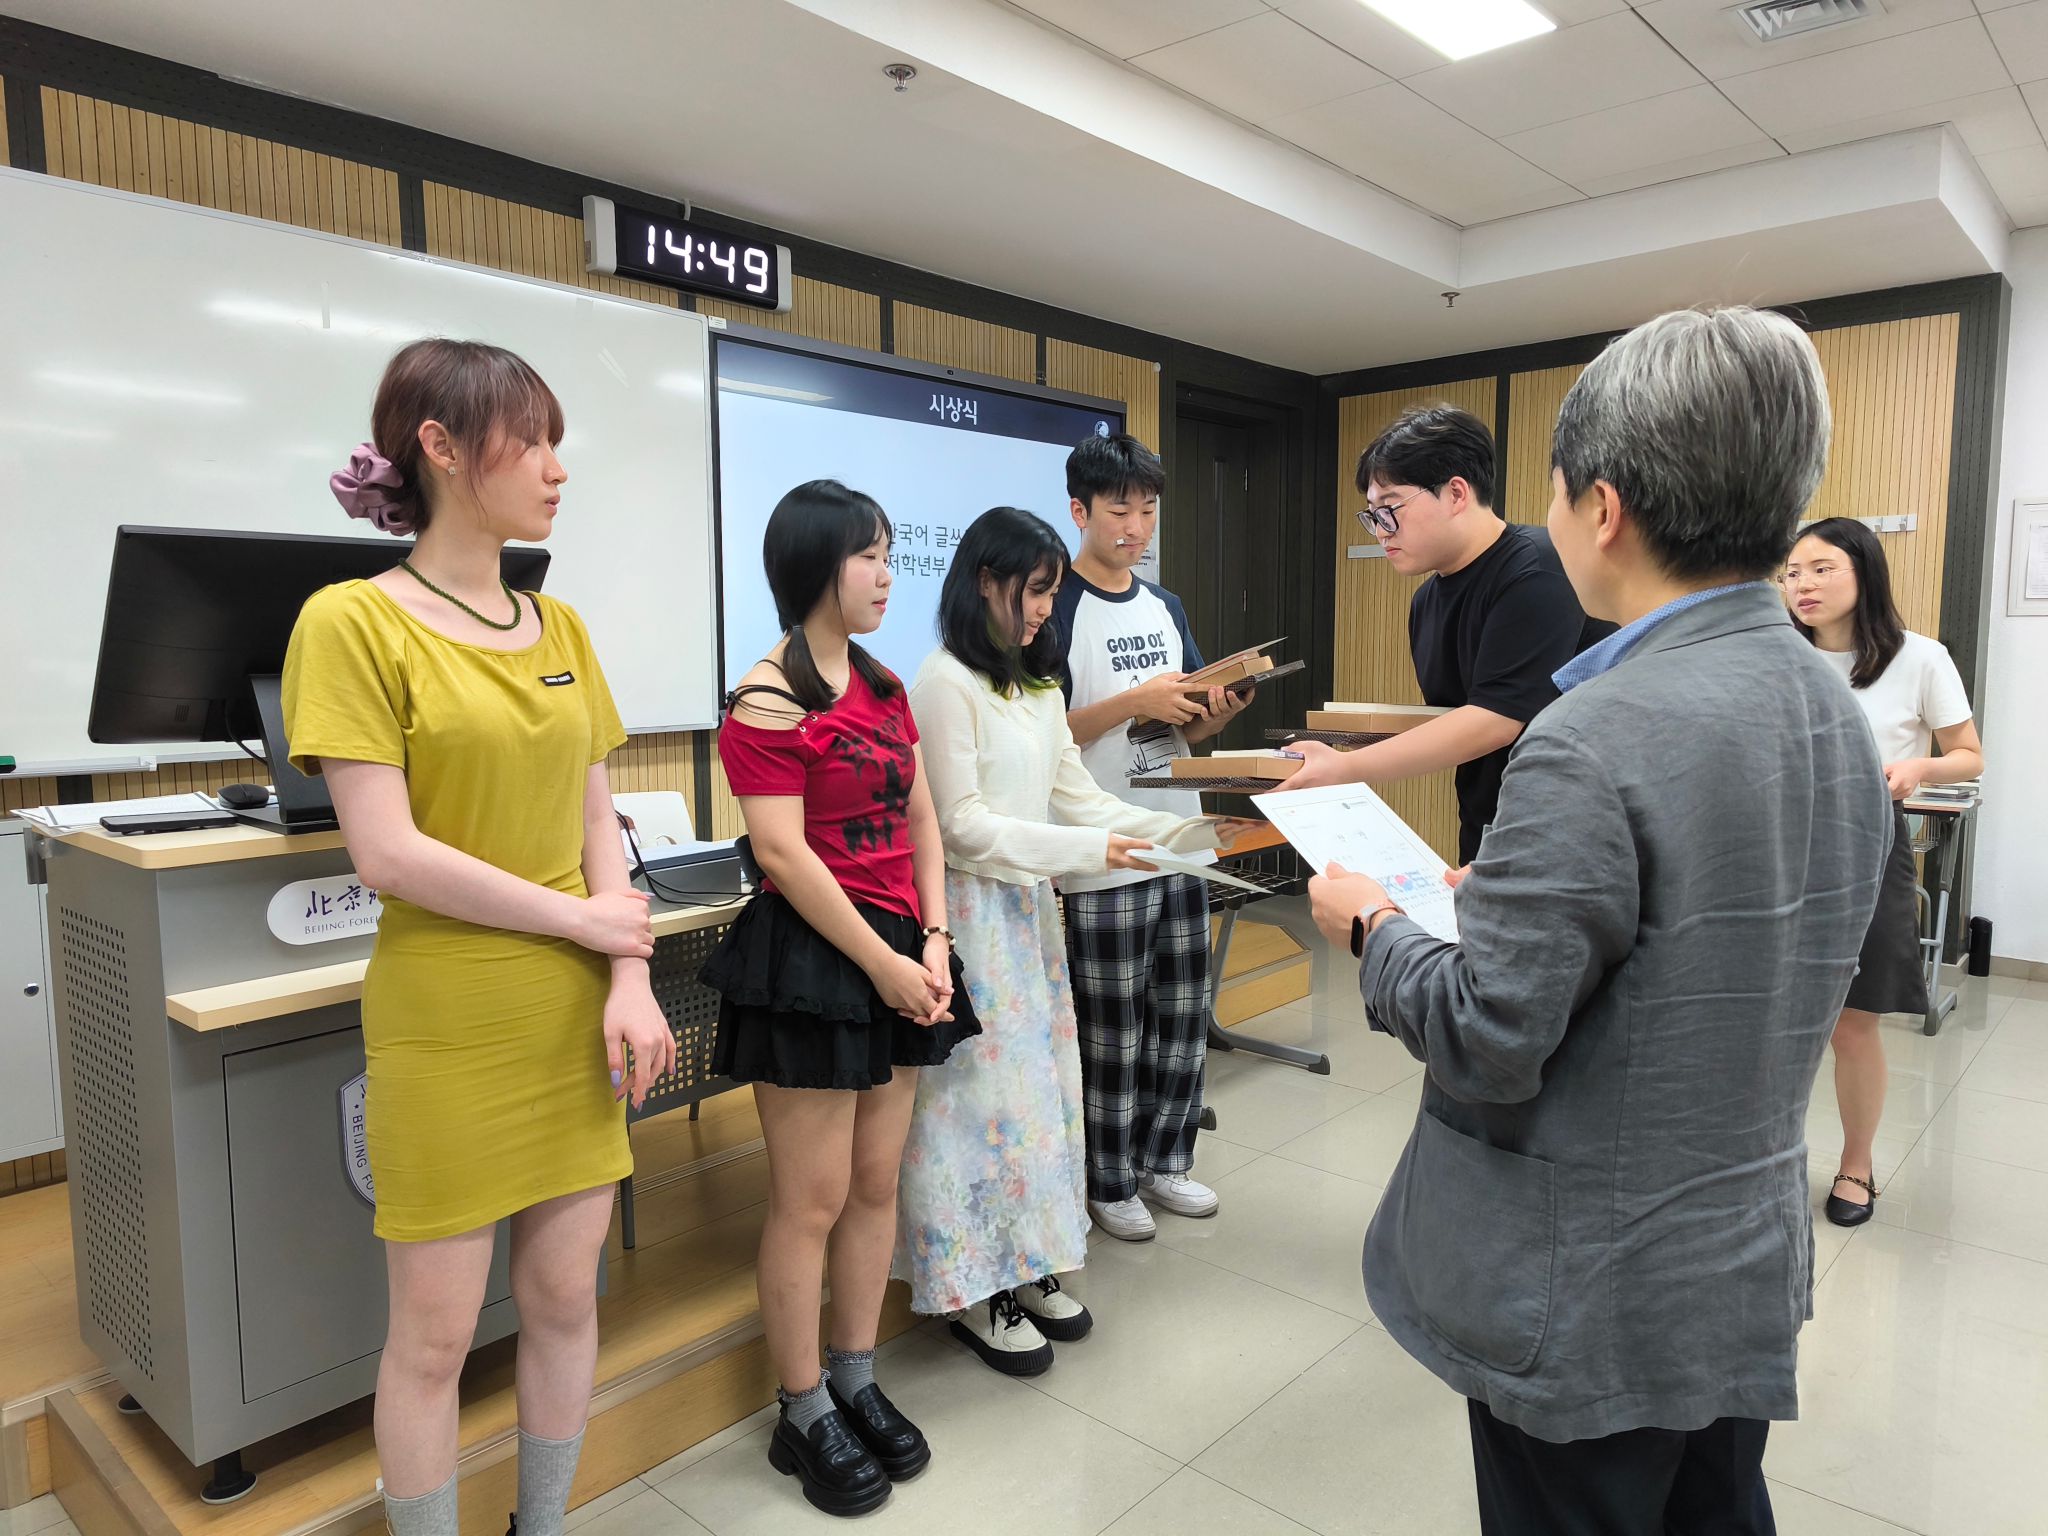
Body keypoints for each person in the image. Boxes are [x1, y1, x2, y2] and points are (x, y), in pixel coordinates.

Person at [1307, 308, 1891, 1536]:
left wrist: (1374, 927)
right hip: (1733, 1257)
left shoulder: (1590, 735)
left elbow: (1486, 1036)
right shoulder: (1827, 706)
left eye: (1555, 490)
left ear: (1603, 506)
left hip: (1588, 1282)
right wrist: (1520, 896)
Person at [283, 339, 676, 1536]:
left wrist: (627, 973)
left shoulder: (559, 627)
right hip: (446, 1022)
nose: (557, 468)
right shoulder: (351, 622)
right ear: (442, 449)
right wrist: (582, 921)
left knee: (563, 1300)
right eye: (533, 440)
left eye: (558, 442)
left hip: (574, 1016)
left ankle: (539, 1525)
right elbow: (387, 854)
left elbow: (595, 816)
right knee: (434, 1337)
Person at [896, 507, 1247, 1374]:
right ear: (986, 581)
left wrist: (1185, 835)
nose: (1047, 608)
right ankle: (975, 1288)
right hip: (968, 915)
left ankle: (1030, 1261)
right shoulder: (943, 681)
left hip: (1028, 914)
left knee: (1039, 1098)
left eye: (1052, 592)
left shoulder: (1035, 686)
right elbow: (961, 826)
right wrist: (1092, 850)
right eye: (1037, 590)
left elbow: (1078, 799)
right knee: (976, 1106)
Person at [699, 479, 981, 1518]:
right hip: (815, 963)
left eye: (889, 555)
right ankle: (801, 1404)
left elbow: (921, 821)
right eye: (869, 556)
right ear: (817, 564)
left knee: (872, 1185)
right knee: (809, 1199)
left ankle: (856, 1377)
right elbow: (781, 852)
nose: (886, 575)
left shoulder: (885, 685)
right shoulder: (765, 698)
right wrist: (882, 963)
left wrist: (934, 941)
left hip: (900, 950)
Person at [1051, 432, 1249, 1241]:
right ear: (1080, 511)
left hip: (1179, 835)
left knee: (1181, 1012)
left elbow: (1185, 727)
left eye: (1148, 510)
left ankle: (1168, 1162)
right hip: (1100, 847)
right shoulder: (1055, 604)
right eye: (1120, 510)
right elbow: (1039, 732)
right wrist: (1135, 702)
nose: (1136, 527)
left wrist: (1215, 711)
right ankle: (1108, 1179)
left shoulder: (1164, 605)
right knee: (1112, 1026)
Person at [1285, 406, 1611, 863]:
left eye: (1390, 509)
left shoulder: (1539, 567)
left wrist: (1346, 767)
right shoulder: (1426, 601)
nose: (1381, 530)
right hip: (1487, 823)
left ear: (1456, 493)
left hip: (1568, 830)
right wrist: (1364, 735)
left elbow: (1496, 721)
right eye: (1373, 515)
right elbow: (1454, 718)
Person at [1784, 517, 1983, 1227]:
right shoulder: (1777, 654)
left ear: (1864, 572)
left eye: (1821, 569)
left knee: (1852, 1024)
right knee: (1766, 1018)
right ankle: (1762, 1161)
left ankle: (1857, 1165)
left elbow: (1969, 754)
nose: (1802, 585)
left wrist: (1918, 767)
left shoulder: (1920, 657)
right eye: (1791, 572)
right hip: (1773, 843)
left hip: (1863, 843)